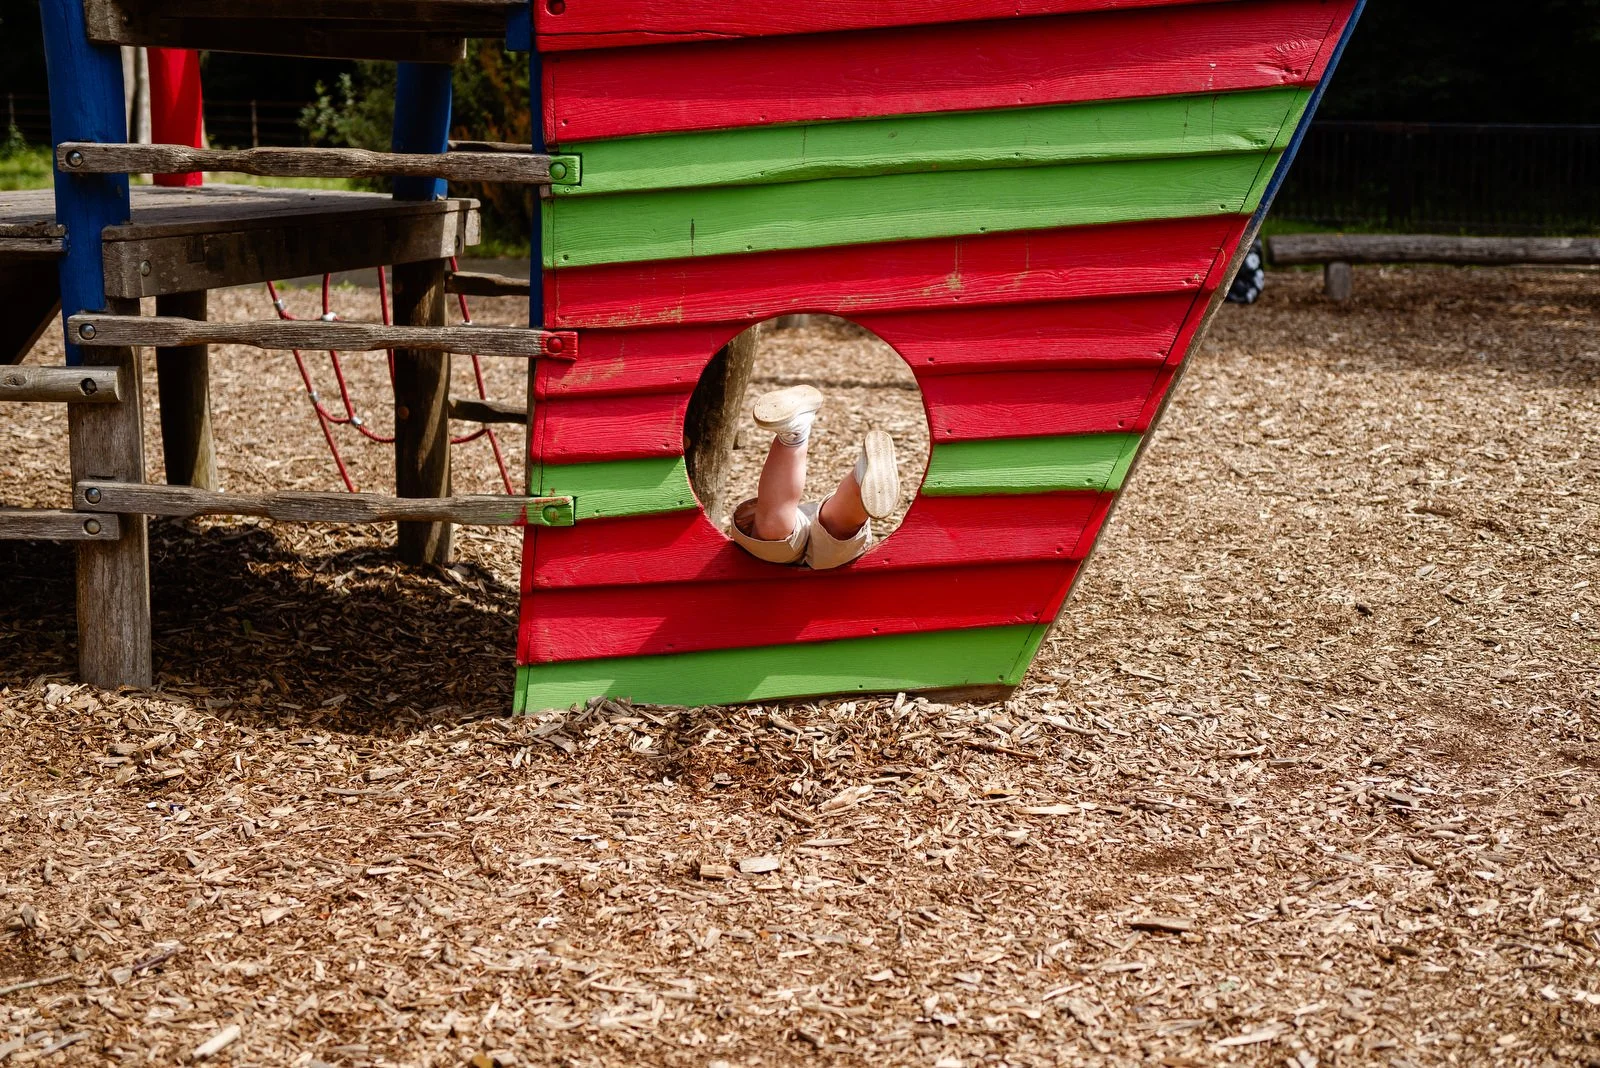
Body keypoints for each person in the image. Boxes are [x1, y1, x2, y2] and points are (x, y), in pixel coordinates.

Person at [727, 385, 900, 569]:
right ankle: (858, 478)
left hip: (781, 548)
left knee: (773, 532)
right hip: (828, 556)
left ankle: (795, 434)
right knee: (834, 536)